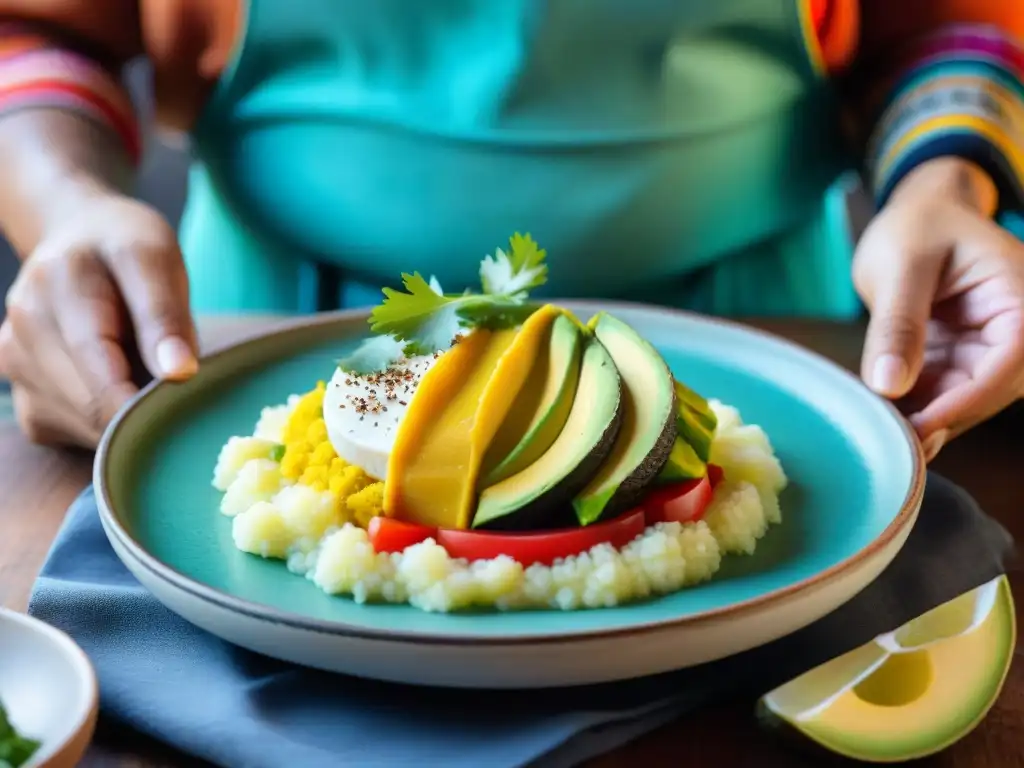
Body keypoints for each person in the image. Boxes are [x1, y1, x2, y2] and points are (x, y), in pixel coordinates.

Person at [0, 1, 1021, 461]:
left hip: (771, 338)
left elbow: (936, 23)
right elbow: (41, 26)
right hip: (263, 335)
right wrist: (70, 206)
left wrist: (946, 185)